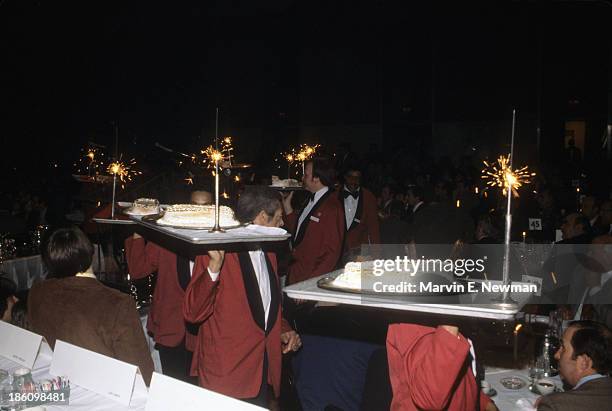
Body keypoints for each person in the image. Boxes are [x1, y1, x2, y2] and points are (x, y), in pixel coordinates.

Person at [183, 186, 301, 407]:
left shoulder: (271, 252)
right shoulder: (218, 251)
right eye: (278, 218)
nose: (283, 224)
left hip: (260, 371)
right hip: (226, 376)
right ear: (262, 218)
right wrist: (214, 269)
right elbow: (192, 313)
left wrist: (283, 329)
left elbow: (265, 304)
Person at [28, 226, 154, 385]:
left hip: (57, 381)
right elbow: (143, 375)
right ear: (91, 252)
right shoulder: (118, 304)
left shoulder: (38, 291)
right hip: (105, 392)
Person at [124, 189, 212, 382]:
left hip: (203, 335)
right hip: (170, 328)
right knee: (173, 388)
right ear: (187, 207)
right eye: (195, 206)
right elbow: (138, 270)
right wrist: (139, 226)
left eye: (205, 207)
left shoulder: (218, 245)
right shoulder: (167, 237)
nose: (199, 211)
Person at [386, 323, 497, 411]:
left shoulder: (449, 322)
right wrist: (451, 319)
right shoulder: (413, 325)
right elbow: (429, 398)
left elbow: (459, 377)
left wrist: (483, 403)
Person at [282, 157, 345, 285]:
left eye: (306, 174)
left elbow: (332, 253)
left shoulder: (332, 207)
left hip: (309, 278)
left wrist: (312, 283)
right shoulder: (310, 200)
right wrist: (287, 206)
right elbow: (301, 233)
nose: (303, 178)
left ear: (316, 178)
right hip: (296, 273)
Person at [537, 320, 612, 410]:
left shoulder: (554, 405)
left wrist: (555, 401)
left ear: (584, 363)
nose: (556, 355)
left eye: (563, 349)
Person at [338, 166, 380, 253]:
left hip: (360, 253)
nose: (353, 181)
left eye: (357, 178)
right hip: (336, 251)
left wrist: (376, 256)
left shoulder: (369, 198)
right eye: (350, 177)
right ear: (345, 177)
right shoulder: (334, 196)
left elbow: (374, 229)